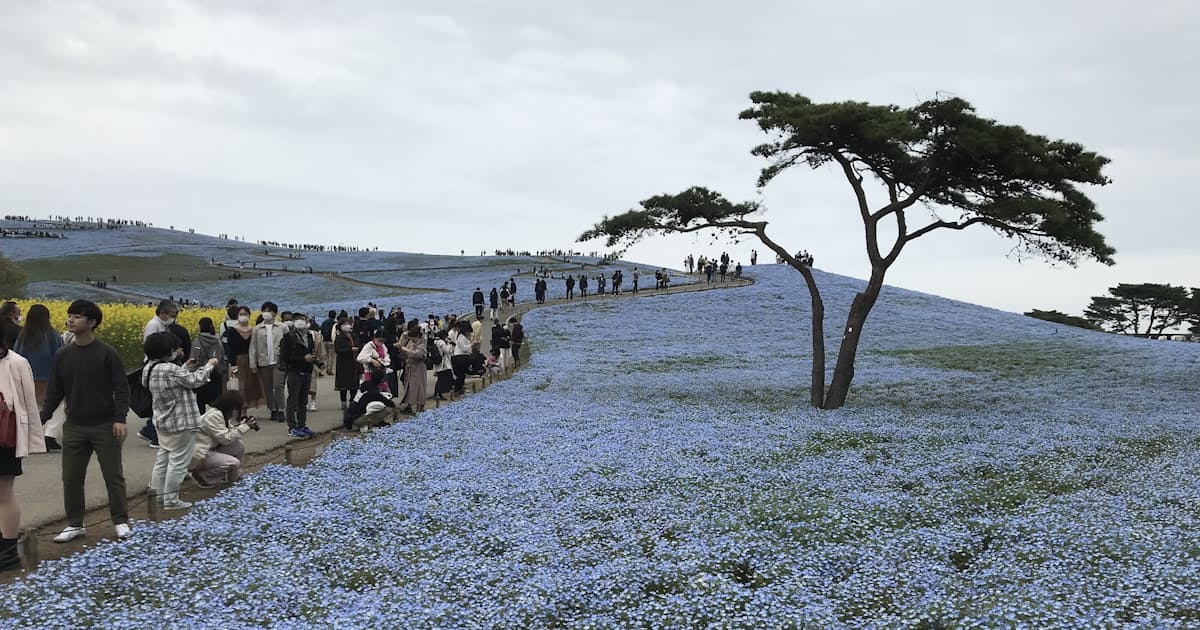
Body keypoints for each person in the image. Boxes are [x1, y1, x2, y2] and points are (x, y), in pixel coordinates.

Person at [40, 300, 133, 542]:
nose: (70, 320)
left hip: (105, 424)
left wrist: (120, 418)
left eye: (77, 316)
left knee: (113, 475)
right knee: (71, 477)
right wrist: (43, 417)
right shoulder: (63, 354)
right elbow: (55, 390)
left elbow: (122, 388)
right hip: (74, 426)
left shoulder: (107, 353)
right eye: (69, 316)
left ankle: (121, 520)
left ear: (92, 322)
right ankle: (75, 523)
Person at [144, 331, 216, 510]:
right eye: (175, 349)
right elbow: (195, 381)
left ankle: (158, 496)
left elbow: (176, 381)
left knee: (163, 460)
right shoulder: (170, 369)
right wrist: (209, 366)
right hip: (182, 422)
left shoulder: (149, 368)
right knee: (178, 462)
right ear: (167, 350)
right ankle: (171, 500)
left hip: (163, 420)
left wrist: (185, 366)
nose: (177, 351)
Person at [0, 335, 46, 570]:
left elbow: (28, 405)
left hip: (4, 440)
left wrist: (32, 441)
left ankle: (8, 552)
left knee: (3, 494)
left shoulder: (16, 362)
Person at [12, 304, 64, 451]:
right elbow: (60, 355)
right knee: (56, 406)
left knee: (30, 406)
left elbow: (16, 355)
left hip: (28, 377)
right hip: (49, 377)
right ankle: (49, 435)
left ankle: (31, 438)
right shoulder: (52, 335)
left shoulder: (24, 335)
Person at [190, 390, 256, 487]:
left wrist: (242, 424)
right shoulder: (213, 416)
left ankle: (235, 477)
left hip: (211, 449)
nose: (237, 412)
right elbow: (226, 439)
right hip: (200, 455)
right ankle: (202, 476)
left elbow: (229, 432)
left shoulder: (221, 414)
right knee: (233, 463)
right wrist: (246, 427)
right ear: (231, 406)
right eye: (237, 409)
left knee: (238, 446)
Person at [138, 299, 180, 447]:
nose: (173, 318)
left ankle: (149, 430)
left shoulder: (161, 325)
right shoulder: (153, 325)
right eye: (172, 315)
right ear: (162, 313)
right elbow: (150, 347)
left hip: (160, 364)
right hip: (154, 366)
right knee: (159, 402)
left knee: (159, 403)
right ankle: (151, 432)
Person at [278, 313, 318, 438]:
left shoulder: (310, 336)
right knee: (293, 400)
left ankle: (302, 425)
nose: (302, 322)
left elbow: (310, 352)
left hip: (307, 371)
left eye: (304, 320)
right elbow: (285, 357)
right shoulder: (288, 337)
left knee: (303, 400)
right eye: (298, 320)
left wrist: (315, 361)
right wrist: (302, 359)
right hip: (294, 371)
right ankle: (292, 427)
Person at [248, 302, 288, 422]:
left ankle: (281, 409)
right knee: (267, 387)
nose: (267, 313)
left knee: (278, 385)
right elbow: (253, 347)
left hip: (278, 361)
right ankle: (273, 409)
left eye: (269, 311)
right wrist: (253, 364)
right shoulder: (257, 329)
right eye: (265, 311)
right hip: (264, 361)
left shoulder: (282, 327)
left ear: (275, 313)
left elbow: (288, 343)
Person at [223, 306, 262, 419]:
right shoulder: (232, 331)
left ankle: (244, 411)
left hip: (250, 360)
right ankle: (237, 410)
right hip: (237, 361)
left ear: (249, 316)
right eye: (241, 314)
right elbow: (230, 349)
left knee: (248, 386)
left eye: (245, 314)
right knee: (237, 386)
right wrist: (232, 364)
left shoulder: (253, 330)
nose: (243, 316)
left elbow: (255, 347)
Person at [190, 318, 227, 412]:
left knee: (200, 402)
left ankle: (201, 422)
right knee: (217, 402)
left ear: (200, 327)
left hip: (202, 374)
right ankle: (218, 421)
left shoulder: (197, 341)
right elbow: (222, 356)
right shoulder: (217, 340)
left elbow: (194, 359)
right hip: (216, 374)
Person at [344, 365, 396, 431]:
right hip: (357, 419)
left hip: (352, 414)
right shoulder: (373, 392)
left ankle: (373, 422)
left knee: (376, 405)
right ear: (381, 379)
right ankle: (372, 422)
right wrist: (394, 408)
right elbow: (388, 402)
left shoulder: (367, 384)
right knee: (387, 409)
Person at [396, 324, 427, 413]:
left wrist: (404, 349)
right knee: (409, 387)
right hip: (410, 367)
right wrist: (401, 350)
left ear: (417, 336)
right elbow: (406, 353)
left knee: (419, 387)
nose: (411, 339)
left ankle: (420, 407)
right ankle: (409, 406)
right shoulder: (411, 342)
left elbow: (417, 354)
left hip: (419, 368)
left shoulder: (422, 343)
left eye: (413, 337)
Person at [333, 317, 360, 410]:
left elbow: (359, 345)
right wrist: (349, 350)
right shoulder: (339, 337)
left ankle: (352, 401)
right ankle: (343, 402)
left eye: (348, 323)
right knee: (343, 384)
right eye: (344, 324)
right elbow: (338, 350)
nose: (347, 326)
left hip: (354, 361)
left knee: (354, 383)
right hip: (343, 362)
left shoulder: (354, 335)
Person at [451, 320, 472, 395]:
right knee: (461, 376)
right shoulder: (462, 337)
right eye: (468, 332)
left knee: (461, 375)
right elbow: (464, 348)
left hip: (459, 358)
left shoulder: (461, 336)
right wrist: (472, 344)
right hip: (460, 358)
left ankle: (460, 390)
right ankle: (457, 391)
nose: (469, 333)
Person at [432, 330, 454, 401]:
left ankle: (438, 393)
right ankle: (439, 393)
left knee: (440, 379)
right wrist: (450, 344)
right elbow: (447, 351)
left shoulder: (436, 341)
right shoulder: (442, 342)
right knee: (443, 379)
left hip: (439, 362)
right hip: (443, 364)